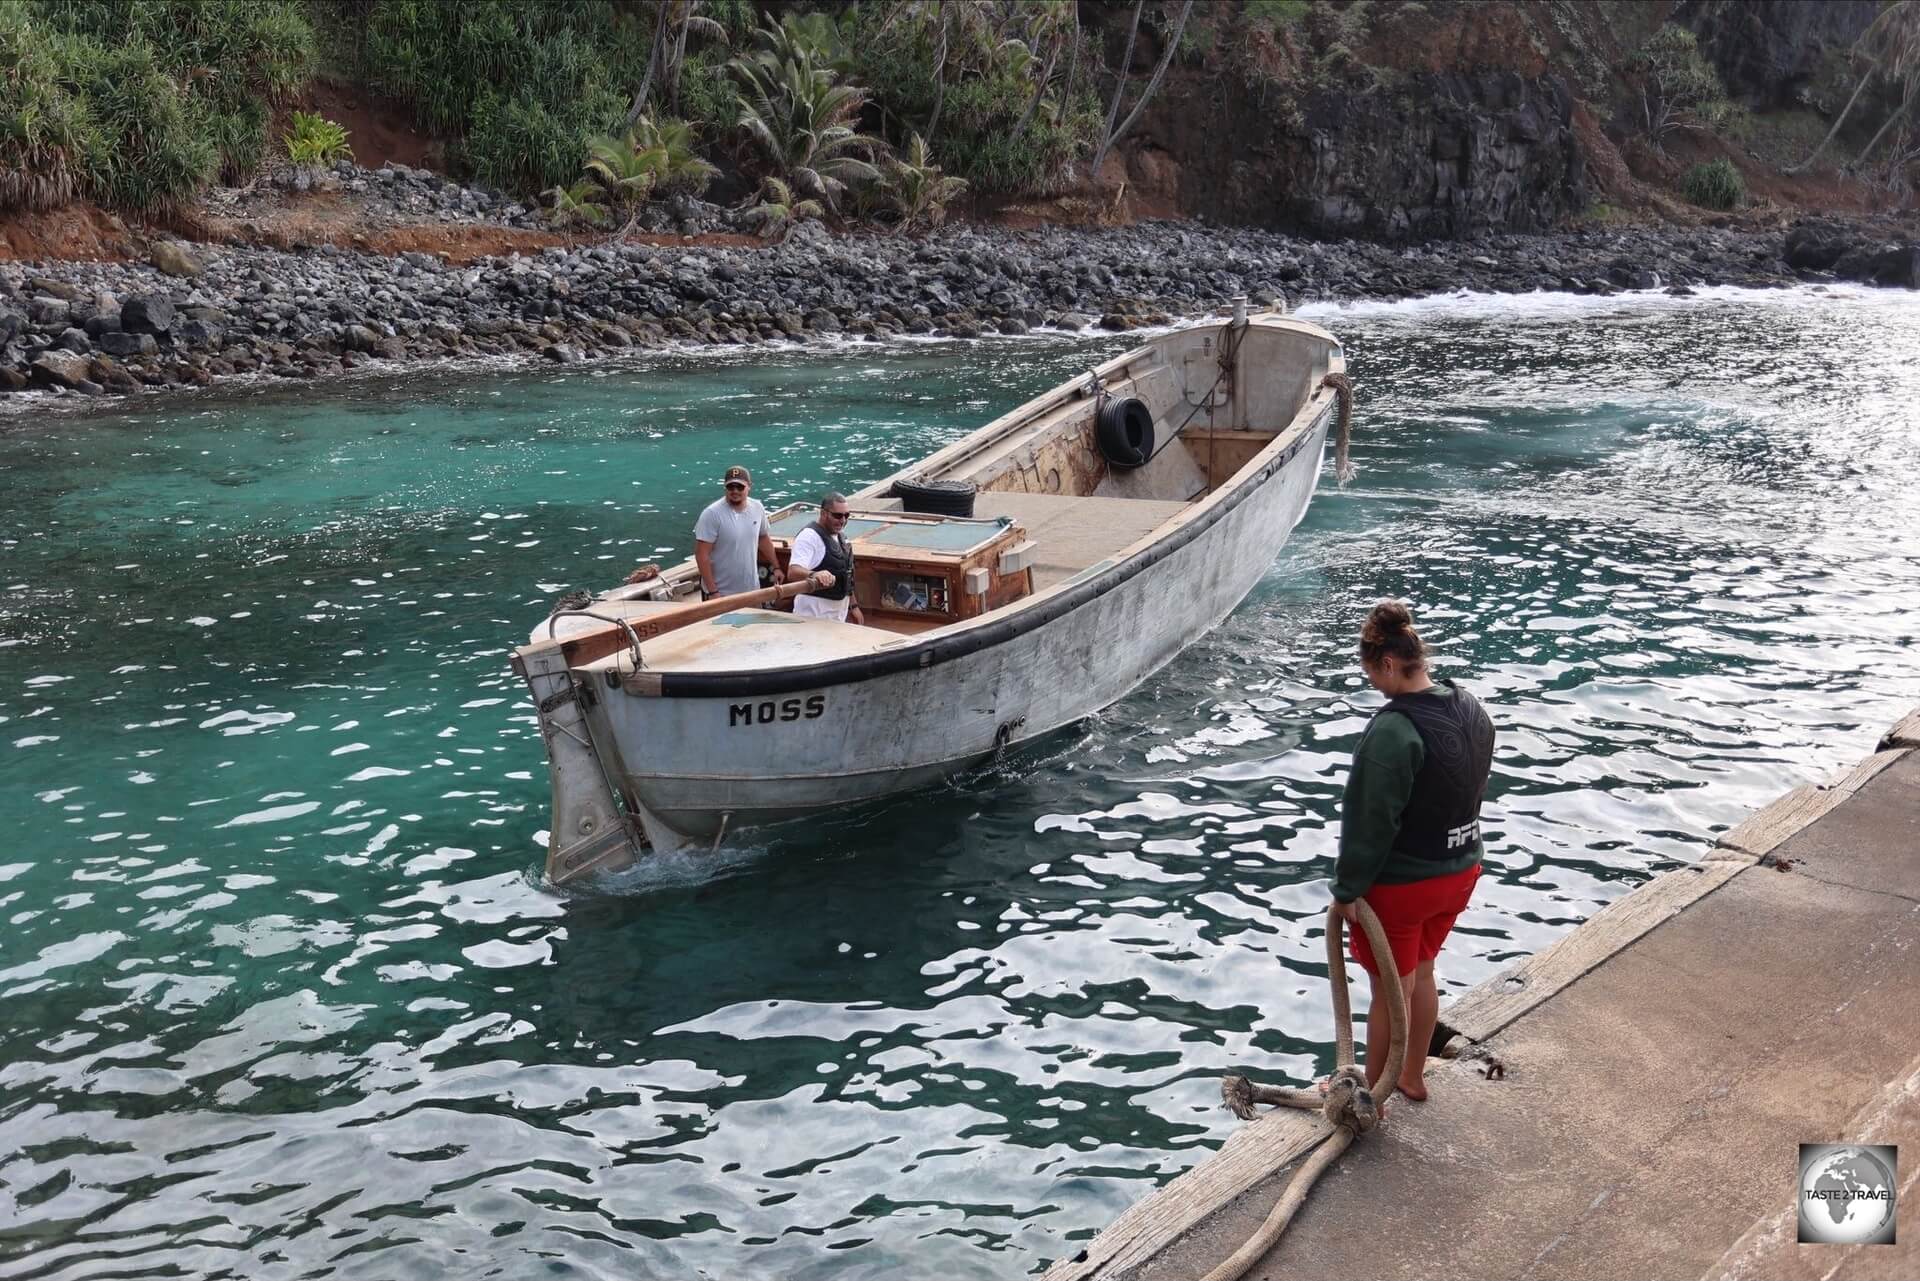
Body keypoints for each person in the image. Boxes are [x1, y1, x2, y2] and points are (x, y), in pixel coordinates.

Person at [1331, 599, 1495, 1104]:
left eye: (1370, 674)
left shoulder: (1393, 731)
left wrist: (1346, 891)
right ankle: (1411, 1076)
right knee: (1422, 971)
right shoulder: (1469, 704)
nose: (1373, 685)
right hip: (1462, 869)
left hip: (1406, 885)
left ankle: (1372, 1099)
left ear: (1385, 663)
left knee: (1390, 989)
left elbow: (1368, 822)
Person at [689, 465, 785, 598]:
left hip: (752, 589)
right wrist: (713, 591)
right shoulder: (711, 514)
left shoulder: (758, 508)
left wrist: (776, 567)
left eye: (740, 487)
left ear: (749, 486)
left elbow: (762, 538)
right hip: (721, 593)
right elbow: (701, 555)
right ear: (725, 487)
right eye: (730, 487)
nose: (735, 491)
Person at [787, 492, 864, 624]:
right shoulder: (809, 537)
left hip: (838, 614)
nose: (843, 520)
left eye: (846, 515)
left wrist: (854, 606)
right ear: (823, 513)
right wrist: (814, 574)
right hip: (813, 614)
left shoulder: (841, 537)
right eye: (838, 515)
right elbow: (793, 572)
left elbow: (846, 574)